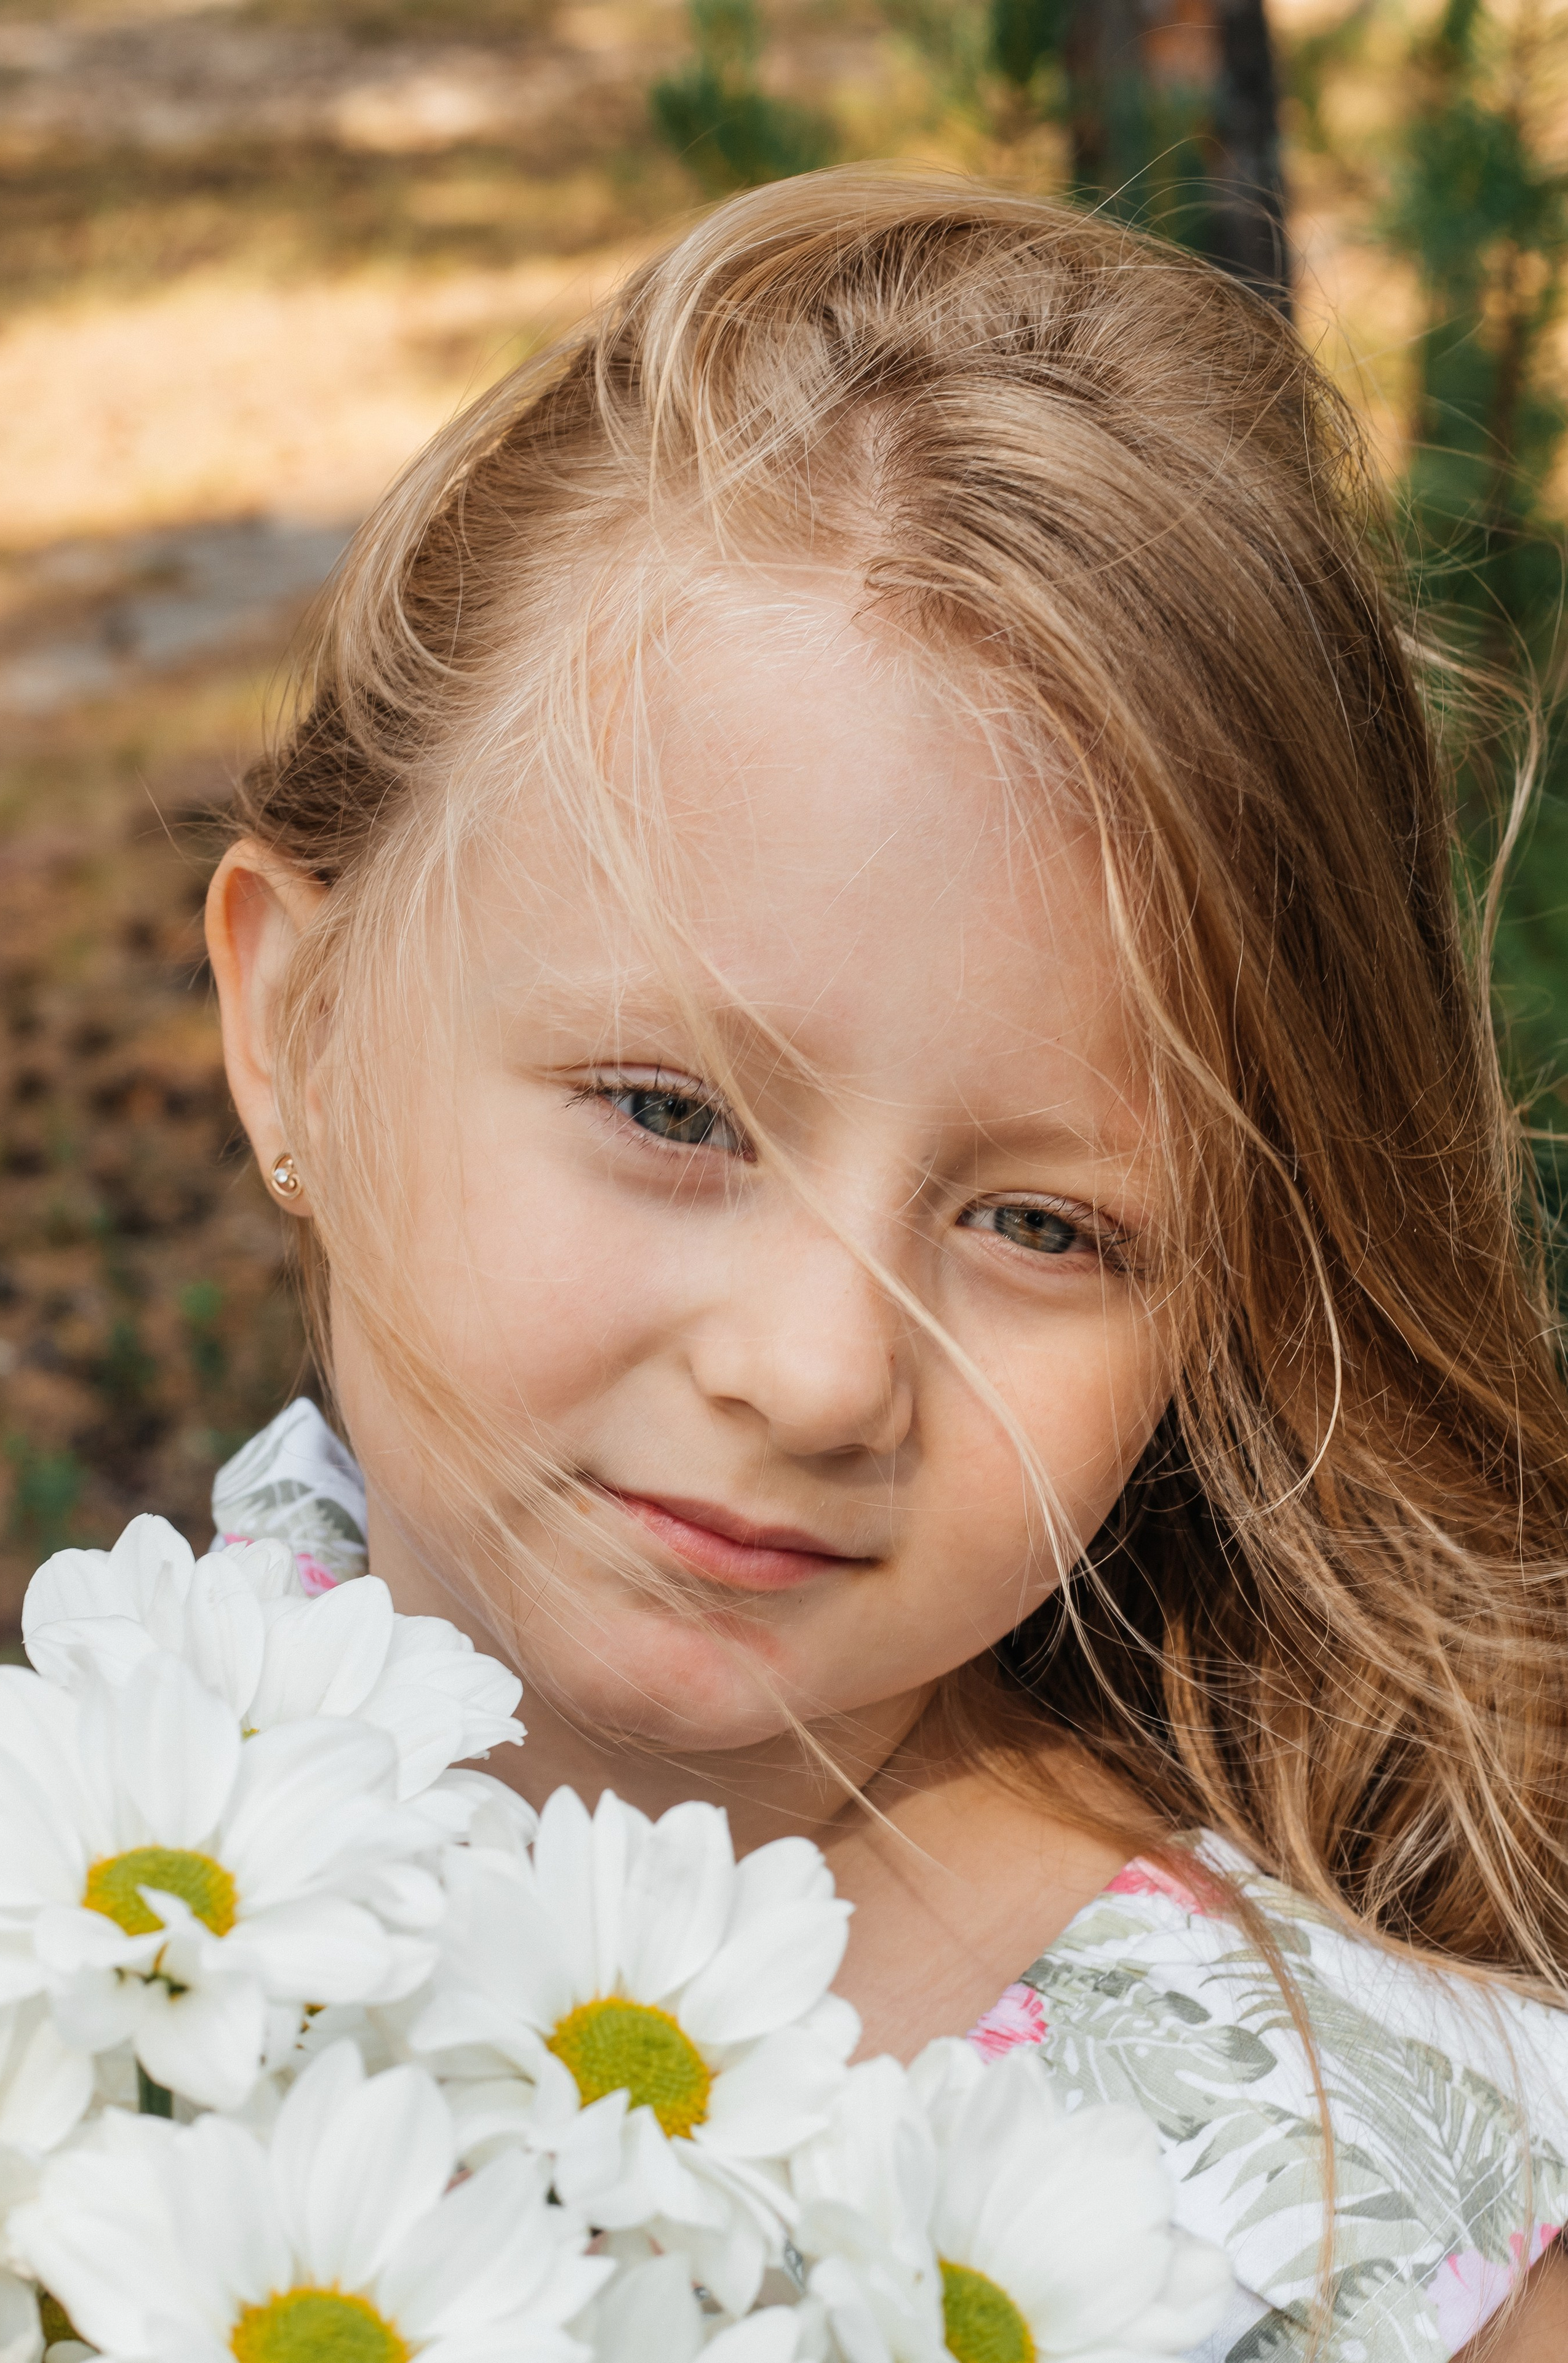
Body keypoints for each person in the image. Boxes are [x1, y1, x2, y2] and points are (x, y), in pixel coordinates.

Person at [203, 172, 1568, 2361]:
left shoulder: (1346, 2219)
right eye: (672, 1114)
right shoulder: (88, 1870)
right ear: (298, 1028)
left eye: (1046, 1225)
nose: (825, 1370)